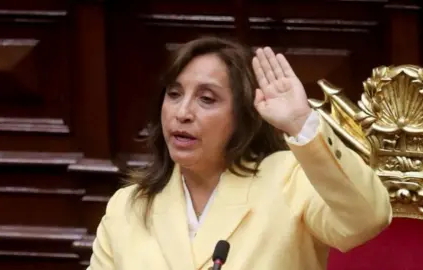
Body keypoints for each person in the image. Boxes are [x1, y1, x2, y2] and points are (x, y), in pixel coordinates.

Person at [87, 36, 392, 270]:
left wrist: (301, 123)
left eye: (207, 99)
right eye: (175, 94)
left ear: (242, 116)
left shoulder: (289, 179)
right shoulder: (127, 207)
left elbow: (367, 218)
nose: (182, 112)